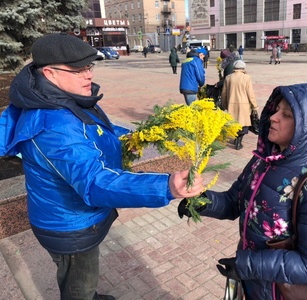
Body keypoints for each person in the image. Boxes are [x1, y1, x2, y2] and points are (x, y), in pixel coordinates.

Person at [0, 33, 204, 300]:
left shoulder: (60, 99)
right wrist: (165, 186)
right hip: (69, 225)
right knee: (78, 284)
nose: (88, 75)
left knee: (81, 276)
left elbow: (95, 132)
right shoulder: (54, 125)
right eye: (78, 70)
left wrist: (132, 137)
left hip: (72, 216)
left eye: (89, 67)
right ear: (49, 73)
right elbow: (95, 182)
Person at [178, 83, 307, 299]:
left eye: (286, 115)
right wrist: (201, 202)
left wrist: (248, 265)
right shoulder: (264, 161)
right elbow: (234, 200)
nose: (274, 118)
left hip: (280, 290)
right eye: (276, 110)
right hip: (251, 280)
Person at [221, 60, 258, 150]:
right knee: (243, 124)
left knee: (234, 123)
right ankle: (239, 141)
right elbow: (250, 93)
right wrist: (254, 106)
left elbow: (224, 93)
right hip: (244, 105)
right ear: (243, 68)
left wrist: (225, 104)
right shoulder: (246, 77)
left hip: (231, 104)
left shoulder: (228, 77)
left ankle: (236, 138)